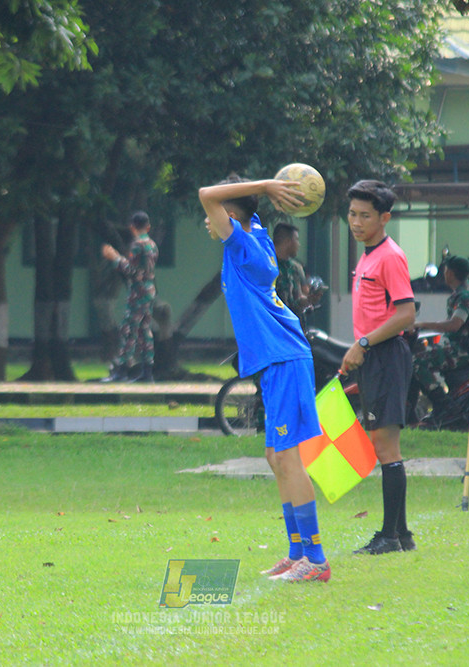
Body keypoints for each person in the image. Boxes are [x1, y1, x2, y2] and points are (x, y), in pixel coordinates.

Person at [199, 174, 330, 583]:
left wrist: (267, 186)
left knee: (288, 458)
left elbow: (206, 194)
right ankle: (296, 553)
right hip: (277, 361)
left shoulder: (242, 243)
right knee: (276, 457)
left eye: (215, 216)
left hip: (284, 357)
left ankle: (316, 560)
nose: (207, 220)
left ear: (230, 215)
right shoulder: (255, 231)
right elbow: (228, 202)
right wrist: (259, 193)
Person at [339, 179, 417, 556]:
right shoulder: (368, 254)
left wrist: (364, 343)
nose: (356, 222)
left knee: (386, 447)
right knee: (382, 444)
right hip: (374, 357)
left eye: (365, 216)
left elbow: (406, 313)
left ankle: (389, 536)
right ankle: (401, 534)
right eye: (352, 214)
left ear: (384, 218)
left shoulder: (389, 256)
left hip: (385, 355)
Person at [411, 255, 469, 415]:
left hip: (462, 352)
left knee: (417, 362)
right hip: (460, 349)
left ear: (450, 273)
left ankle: (444, 404)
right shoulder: (466, 293)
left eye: (446, 270)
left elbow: (454, 324)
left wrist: (422, 324)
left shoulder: (465, 296)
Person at [100, 211, 159, 382]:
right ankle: (147, 372)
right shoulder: (153, 245)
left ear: (132, 227)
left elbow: (132, 271)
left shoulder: (138, 245)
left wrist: (115, 258)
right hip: (149, 290)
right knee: (144, 330)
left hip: (138, 292)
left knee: (128, 329)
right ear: (148, 227)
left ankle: (121, 371)